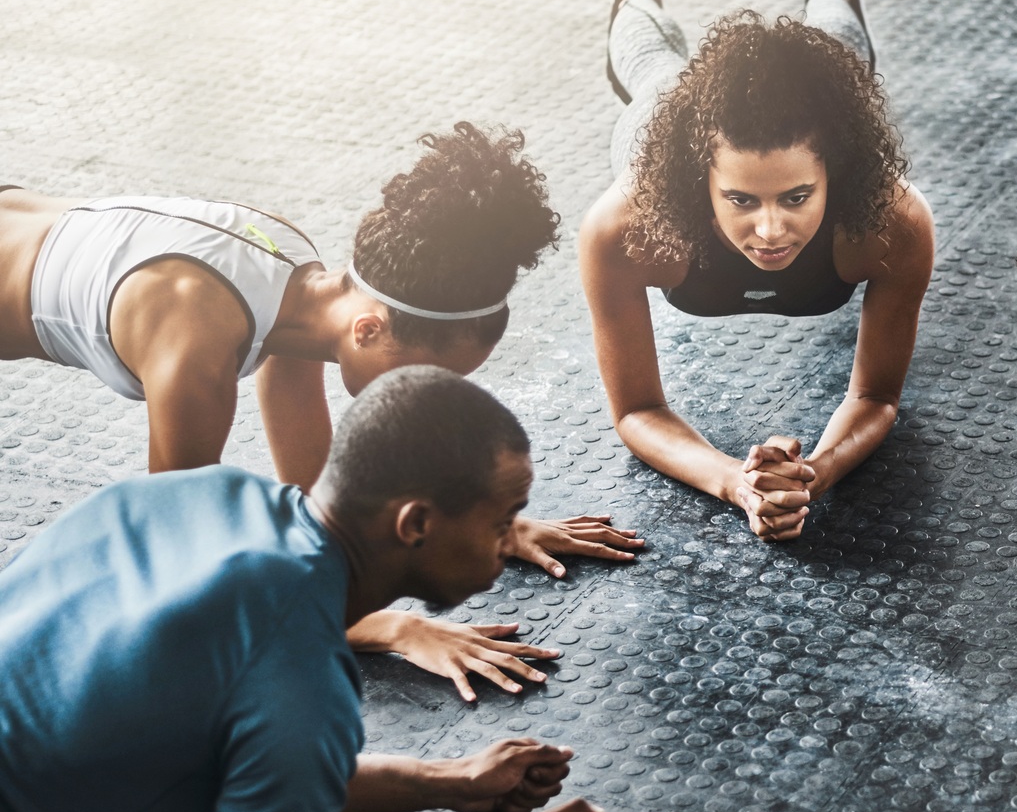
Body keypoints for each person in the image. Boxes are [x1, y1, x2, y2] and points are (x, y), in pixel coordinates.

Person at [0, 367, 605, 812]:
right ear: (416, 523)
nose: (510, 540)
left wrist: (451, 782)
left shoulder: (204, 495)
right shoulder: (297, 678)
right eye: (504, 518)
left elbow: (248, 763)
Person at [0, 123, 645, 700]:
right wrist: (393, 625)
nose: (426, 396)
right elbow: (176, 576)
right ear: (367, 330)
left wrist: (475, 526)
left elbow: (317, 500)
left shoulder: (295, 286)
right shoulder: (196, 348)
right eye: (426, 375)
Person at [582, 0, 933, 540]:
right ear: (702, 182)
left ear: (835, 177)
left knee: (838, 57)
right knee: (655, 72)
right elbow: (636, 410)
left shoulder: (893, 224)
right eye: (742, 200)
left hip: (826, 88)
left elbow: (876, 395)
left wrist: (811, 474)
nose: (770, 231)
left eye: (796, 197)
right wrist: (735, 482)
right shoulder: (627, 229)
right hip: (659, 119)